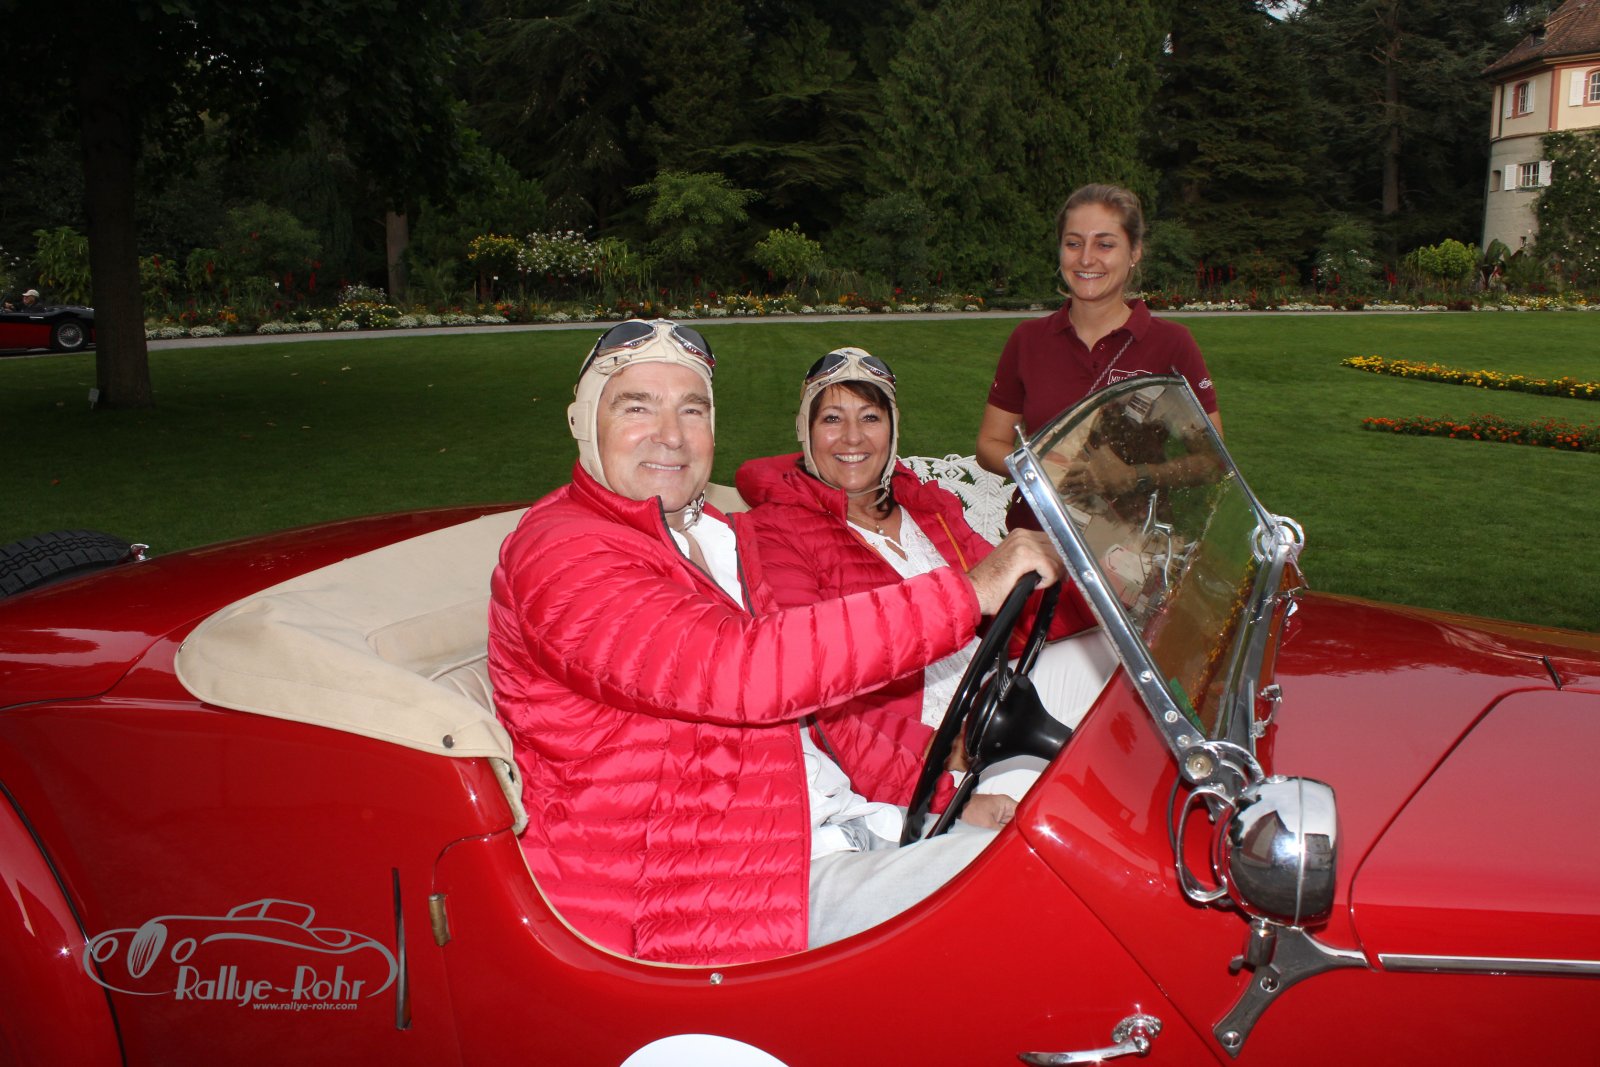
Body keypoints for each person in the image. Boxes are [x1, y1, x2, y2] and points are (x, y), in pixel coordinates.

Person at [488, 320, 1065, 966]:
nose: (670, 434)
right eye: (637, 407)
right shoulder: (563, 552)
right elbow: (741, 669)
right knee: (1040, 893)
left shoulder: (716, 537)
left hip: (824, 832)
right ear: (584, 423)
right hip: (707, 892)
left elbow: (825, 716)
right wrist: (966, 593)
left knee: (1057, 849)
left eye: (691, 409)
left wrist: (944, 799)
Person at [736, 347, 1117, 809]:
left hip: (990, 693)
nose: (852, 437)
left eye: (871, 417)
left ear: (893, 428)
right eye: (832, 419)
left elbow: (1019, 604)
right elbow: (820, 702)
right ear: (806, 431)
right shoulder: (777, 531)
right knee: (1083, 795)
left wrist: (1115, 596)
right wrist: (940, 780)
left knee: (1119, 653)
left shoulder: (924, 507)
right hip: (928, 748)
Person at [976, 183, 1222, 530]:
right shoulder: (1028, 339)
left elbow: (1212, 461)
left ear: (1134, 252)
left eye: (1105, 244)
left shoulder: (1171, 343)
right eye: (1073, 243)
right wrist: (1045, 467)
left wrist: (1134, 476)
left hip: (1132, 546)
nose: (1086, 259)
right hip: (1039, 537)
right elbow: (989, 444)